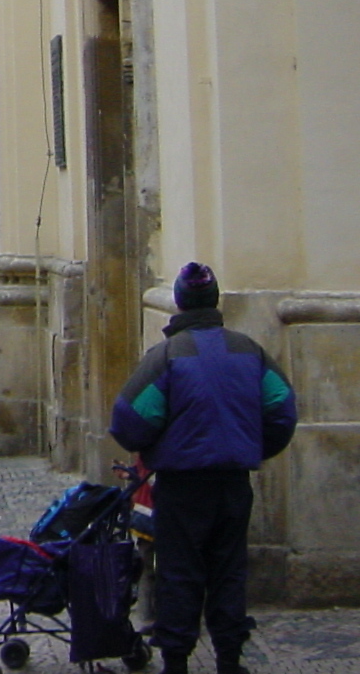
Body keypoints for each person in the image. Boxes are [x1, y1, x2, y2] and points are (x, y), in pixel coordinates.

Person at [110, 262, 296, 674]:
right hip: (233, 482)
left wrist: (155, 446)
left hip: (181, 484)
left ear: (178, 302)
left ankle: (176, 660)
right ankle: (229, 659)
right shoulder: (249, 351)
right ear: (215, 302)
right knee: (229, 569)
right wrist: (255, 447)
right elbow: (282, 409)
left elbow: (128, 419)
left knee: (179, 571)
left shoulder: (167, 357)